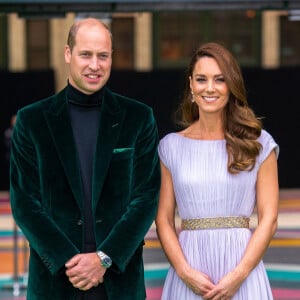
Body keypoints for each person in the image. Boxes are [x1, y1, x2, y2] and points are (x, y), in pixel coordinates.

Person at [10, 17, 160, 300]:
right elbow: (25, 203)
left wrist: (103, 259)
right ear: (68, 54)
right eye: (85, 54)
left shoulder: (138, 118)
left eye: (103, 56)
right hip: (56, 283)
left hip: (119, 283)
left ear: (112, 57)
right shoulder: (32, 121)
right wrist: (71, 261)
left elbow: (145, 198)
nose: (95, 65)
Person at [155, 42, 279, 300]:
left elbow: (269, 219)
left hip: (243, 273)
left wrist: (239, 275)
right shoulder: (170, 147)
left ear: (231, 86)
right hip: (189, 274)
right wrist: (185, 272)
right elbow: (163, 221)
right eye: (201, 79)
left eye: (219, 80)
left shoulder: (259, 144)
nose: (209, 88)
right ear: (191, 85)